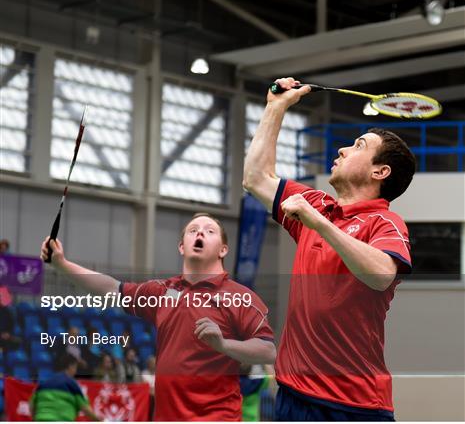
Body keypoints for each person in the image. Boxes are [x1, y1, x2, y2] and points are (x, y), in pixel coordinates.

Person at [243, 77, 416, 422]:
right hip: (294, 395)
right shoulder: (315, 205)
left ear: (380, 171)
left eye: (358, 146)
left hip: (354, 403)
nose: (342, 149)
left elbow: (381, 275)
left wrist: (320, 225)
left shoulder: (386, 223)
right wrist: (275, 108)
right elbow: (255, 178)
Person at [41, 212, 275, 421]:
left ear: (223, 249)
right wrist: (62, 265)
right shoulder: (161, 292)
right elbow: (113, 289)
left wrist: (224, 345)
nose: (199, 232)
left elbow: (267, 350)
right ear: (182, 246)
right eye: (193, 230)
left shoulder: (240, 297)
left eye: (209, 231)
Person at [29, 353, 101, 421]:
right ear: (70, 366)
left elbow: (32, 406)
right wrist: (99, 420)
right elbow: (85, 409)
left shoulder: (43, 384)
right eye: (75, 367)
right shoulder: (71, 384)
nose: (75, 371)